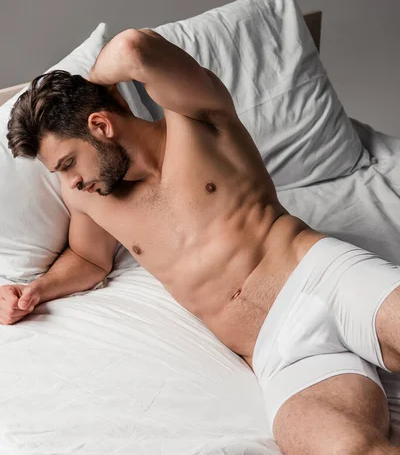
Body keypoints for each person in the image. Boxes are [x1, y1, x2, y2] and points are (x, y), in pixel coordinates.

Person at [4, 28, 400, 454]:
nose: (71, 181)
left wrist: (97, 84)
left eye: (67, 164)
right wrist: (34, 291)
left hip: (324, 279)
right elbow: (88, 259)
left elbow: (134, 48)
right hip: (277, 352)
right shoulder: (88, 198)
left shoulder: (196, 119)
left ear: (100, 125)